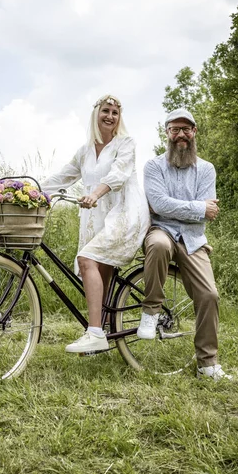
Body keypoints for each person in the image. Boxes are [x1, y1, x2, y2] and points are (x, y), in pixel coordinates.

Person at [42, 94, 150, 354]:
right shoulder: (85, 151)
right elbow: (63, 176)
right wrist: (32, 191)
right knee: (100, 270)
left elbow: (119, 174)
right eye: (106, 110)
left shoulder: (125, 144)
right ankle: (101, 330)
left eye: (115, 112)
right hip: (97, 217)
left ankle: (94, 333)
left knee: (87, 259)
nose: (110, 116)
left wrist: (95, 193)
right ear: (96, 114)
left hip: (125, 213)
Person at [137, 108, 232, 380]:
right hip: (162, 231)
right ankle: (150, 311)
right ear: (166, 133)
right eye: (175, 129)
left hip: (192, 239)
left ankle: (207, 364)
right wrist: (198, 208)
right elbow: (159, 204)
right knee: (157, 245)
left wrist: (196, 210)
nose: (181, 134)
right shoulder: (154, 166)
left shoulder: (206, 169)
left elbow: (208, 210)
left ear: (194, 132)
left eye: (186, 129)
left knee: (209, 295)